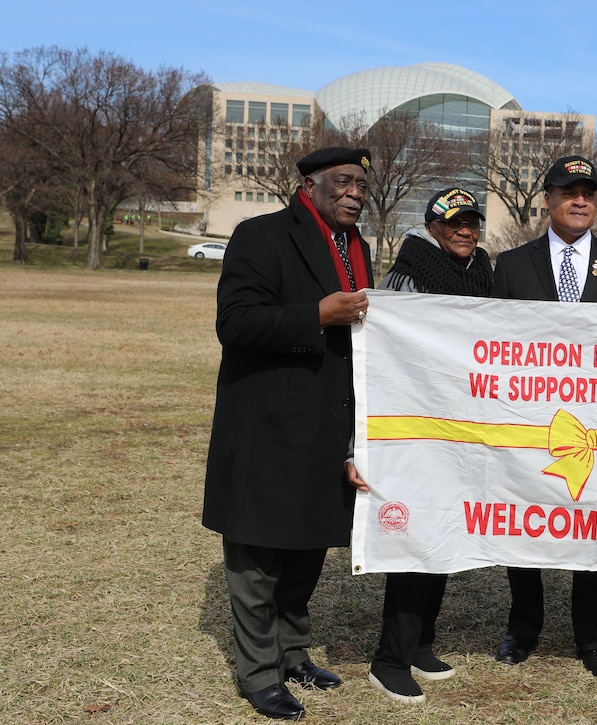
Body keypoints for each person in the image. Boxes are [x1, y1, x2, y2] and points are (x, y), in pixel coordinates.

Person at [202, 146, 374, 721]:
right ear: (309, 183)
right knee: (258, 558)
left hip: (329, 424)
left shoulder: (359, 247)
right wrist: (316, 315)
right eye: (344, 181)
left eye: (362, 186)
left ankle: (292, 652)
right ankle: (258, 674)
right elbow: (236, 323)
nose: (355, 193)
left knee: (307, 549)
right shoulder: (261, 235)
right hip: (269, 425)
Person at [491, 155, 597, 679]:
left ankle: (593, 637)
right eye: (569, 191)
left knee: (594, 525)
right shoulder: (510, 266)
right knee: (524, 521)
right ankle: (523, 628)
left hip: (596, 426)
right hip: (529, 419)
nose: (581, 201)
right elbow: (495, 346)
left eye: (589, 193)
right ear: (548, 200)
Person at [360, 188, 493, 704]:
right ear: (432, 226)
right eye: (456, 223)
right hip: (418, 421)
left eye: (473, 222)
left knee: (445, 532)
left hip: (463, 419)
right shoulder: (410, 269)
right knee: (416, 538)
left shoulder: (482, 268)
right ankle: (389, 659)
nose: (467, 230)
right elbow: (391, 343)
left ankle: (420, 643)